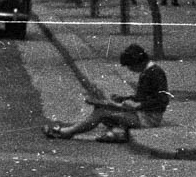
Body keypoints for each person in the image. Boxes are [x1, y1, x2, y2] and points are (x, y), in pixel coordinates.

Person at [44, 44, 172, 142]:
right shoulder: (147, 72)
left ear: (139, 63)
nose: (130, 69)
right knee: (102, 107)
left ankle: (68, 132)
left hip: (148, 118)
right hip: (141, 113)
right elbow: (144, 96)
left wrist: (139, 105)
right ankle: (118, 131)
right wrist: (124, 98)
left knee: (102, 113)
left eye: (131, 66)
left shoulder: (155, 73)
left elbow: (163, 100)